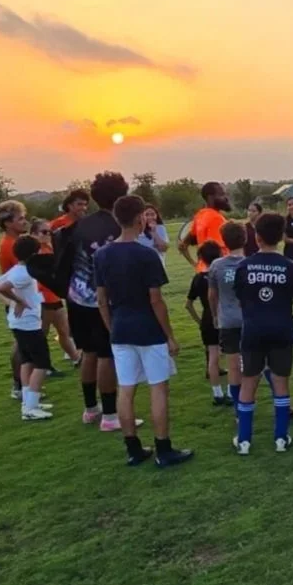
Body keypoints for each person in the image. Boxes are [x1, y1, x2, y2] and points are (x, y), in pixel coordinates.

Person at [95, 195, 192, 468]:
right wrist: (170, 336)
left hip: (120, 329)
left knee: (126, 389)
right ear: (140, 218)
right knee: (158, 388)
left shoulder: (102, 254)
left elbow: (101, 299)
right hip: (148, 329)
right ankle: (163, 448)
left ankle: (133, 448)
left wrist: (111, 328)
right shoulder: (146, 254)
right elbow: (156, 300)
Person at [67, 171, 133, 432]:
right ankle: (109, 415)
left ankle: (90, 409)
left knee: (89, 353)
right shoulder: (117, 227)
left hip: (75, 296)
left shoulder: (78, 225)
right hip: (102, 299)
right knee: (107, 355)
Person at [233, 213, 293, 454]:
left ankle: (244, 440)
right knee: (281, 381)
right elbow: (292, 297)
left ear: (257, 236)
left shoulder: (243, 266)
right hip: (282, 329)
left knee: (248, 381)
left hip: (252, 331)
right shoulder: (290, 267)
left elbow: (241, 300)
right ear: (282, 237)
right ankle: (281, 438)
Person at [0, 235, 54, 421]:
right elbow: (1, 287)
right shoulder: (24, 273)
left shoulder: (18, 269)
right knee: (42, 363)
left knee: (27, 362)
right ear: (34, 253)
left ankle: (29, 402)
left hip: (19, 323)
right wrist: (18, 301)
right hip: (28, 324)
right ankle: (30, 408)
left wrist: (12, 302)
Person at [30, 219, 80, 365]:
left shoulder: (50, 248)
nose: (48, 235)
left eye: (50, 232)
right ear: (33, 234)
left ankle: (76, 358)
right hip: (42, 299)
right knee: (41, 334)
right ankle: (37, 365)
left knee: (63, 331)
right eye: (44, 232)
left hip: (53, 297)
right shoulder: (35, 252)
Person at [208, 222, 247, 409]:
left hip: (228, 320)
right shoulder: (251, 262)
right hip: (249, 320)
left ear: (223, 241)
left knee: (233, 366)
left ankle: (239, 407)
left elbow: (212, 295)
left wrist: (215, 316)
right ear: (245, 239)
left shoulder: (216, 265)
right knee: (258, 363)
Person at [0, 200, 30, 399]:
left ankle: (27, 381)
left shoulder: (13, 241)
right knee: (22, 344)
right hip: (19, 298)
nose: (24, 222)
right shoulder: (10, 245)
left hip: (21, 297)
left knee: (27, 343)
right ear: (8, 223)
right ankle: (19, 385)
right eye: (20, 219)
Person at [185, 241, 223, 388]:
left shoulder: (198, 279)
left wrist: (200, 322)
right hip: (224, 318)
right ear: (220, 254)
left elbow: (188, 305)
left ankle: (217, 393)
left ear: (201, 259)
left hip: (208, 320)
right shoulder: (223, 276)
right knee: (235, 355)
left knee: (212, 357)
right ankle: (236, 391)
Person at [178, 182, 231, 270]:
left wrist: (194, 264)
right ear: (210, 198)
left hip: (202, 270)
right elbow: (220, 251)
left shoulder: (200, 215)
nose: (225, 198)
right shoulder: (216, 218)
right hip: (216, 271)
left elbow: (183, 245)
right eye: (221, 194)